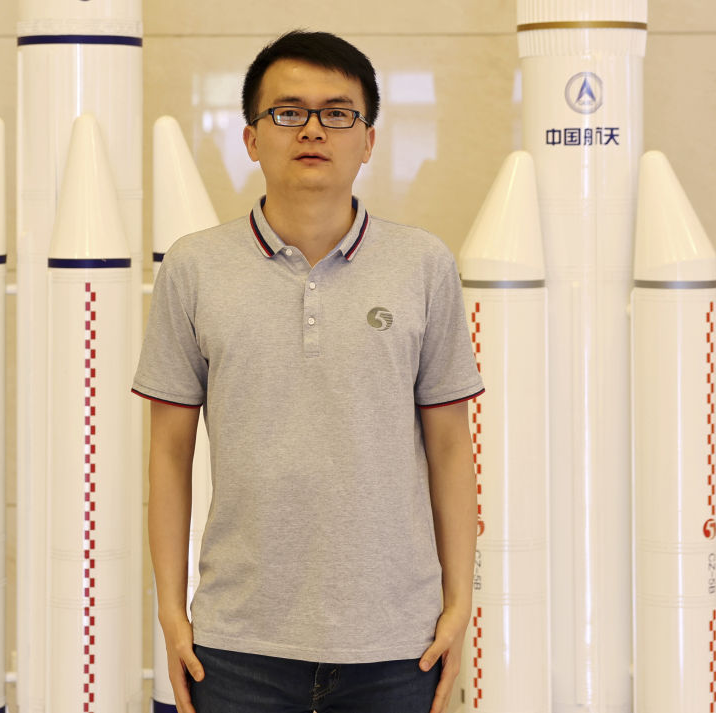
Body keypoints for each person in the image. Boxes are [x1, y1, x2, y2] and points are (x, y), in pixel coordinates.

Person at [133, 30, 483, 713]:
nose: (314, 129)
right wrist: (172, 612)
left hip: (397, 645)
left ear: (369, 140)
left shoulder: (423, 265)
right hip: (235, 645)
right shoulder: (194, 267)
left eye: (338, 112)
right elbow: (169, 452)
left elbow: (450, 445)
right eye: (288, 111)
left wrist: (458, 603)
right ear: (251, 137)